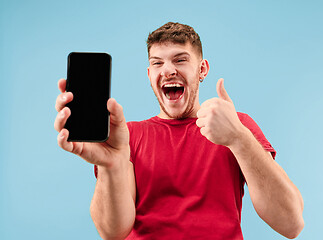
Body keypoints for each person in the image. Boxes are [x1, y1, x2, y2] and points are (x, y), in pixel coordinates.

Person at [54, 22, 304, 240]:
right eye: (157, 63)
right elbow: (113, 231)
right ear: (149, 74)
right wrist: (112, 165)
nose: (168, 70)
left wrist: (238, 138)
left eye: (180, 59)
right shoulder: (126, 137)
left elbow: (291, 223)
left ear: (202, 70)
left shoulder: (235, 125)